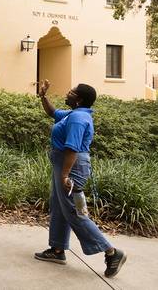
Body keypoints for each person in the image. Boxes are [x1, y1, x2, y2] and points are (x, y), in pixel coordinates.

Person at [34, 80, 127, 278]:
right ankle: (58, 250)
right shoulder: (72, 114)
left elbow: (72, 148)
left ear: (79, 99)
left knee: (76, 212)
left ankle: (111, 252)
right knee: (59, 206)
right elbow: (53, 113)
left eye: (71, 92)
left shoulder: (77, 119)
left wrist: (65, 174)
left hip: (72, 166)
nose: (67, 93)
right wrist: (43, 96)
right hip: (65, 164)